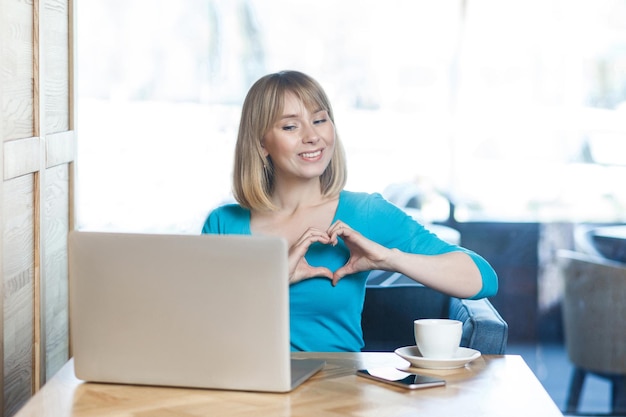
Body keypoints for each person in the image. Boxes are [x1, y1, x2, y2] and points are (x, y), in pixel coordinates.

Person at [202, 70, 498, 352]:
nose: (312, 136)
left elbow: (483, 278)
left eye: (319, 120)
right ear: (261, 142)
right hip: (244, 392)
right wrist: (272, 280)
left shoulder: (366, 213)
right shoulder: (223, 223)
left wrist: (389, 258)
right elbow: (203, 328)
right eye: (291, 126)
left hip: (336, 392)